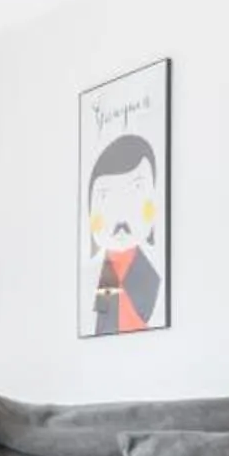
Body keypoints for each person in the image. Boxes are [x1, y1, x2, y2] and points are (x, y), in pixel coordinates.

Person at [84, 133, 162, 333]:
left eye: (135, 188)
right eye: (105, 196)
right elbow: (103, 322)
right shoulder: (105, 272)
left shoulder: (150, 277)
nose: (119, 212)